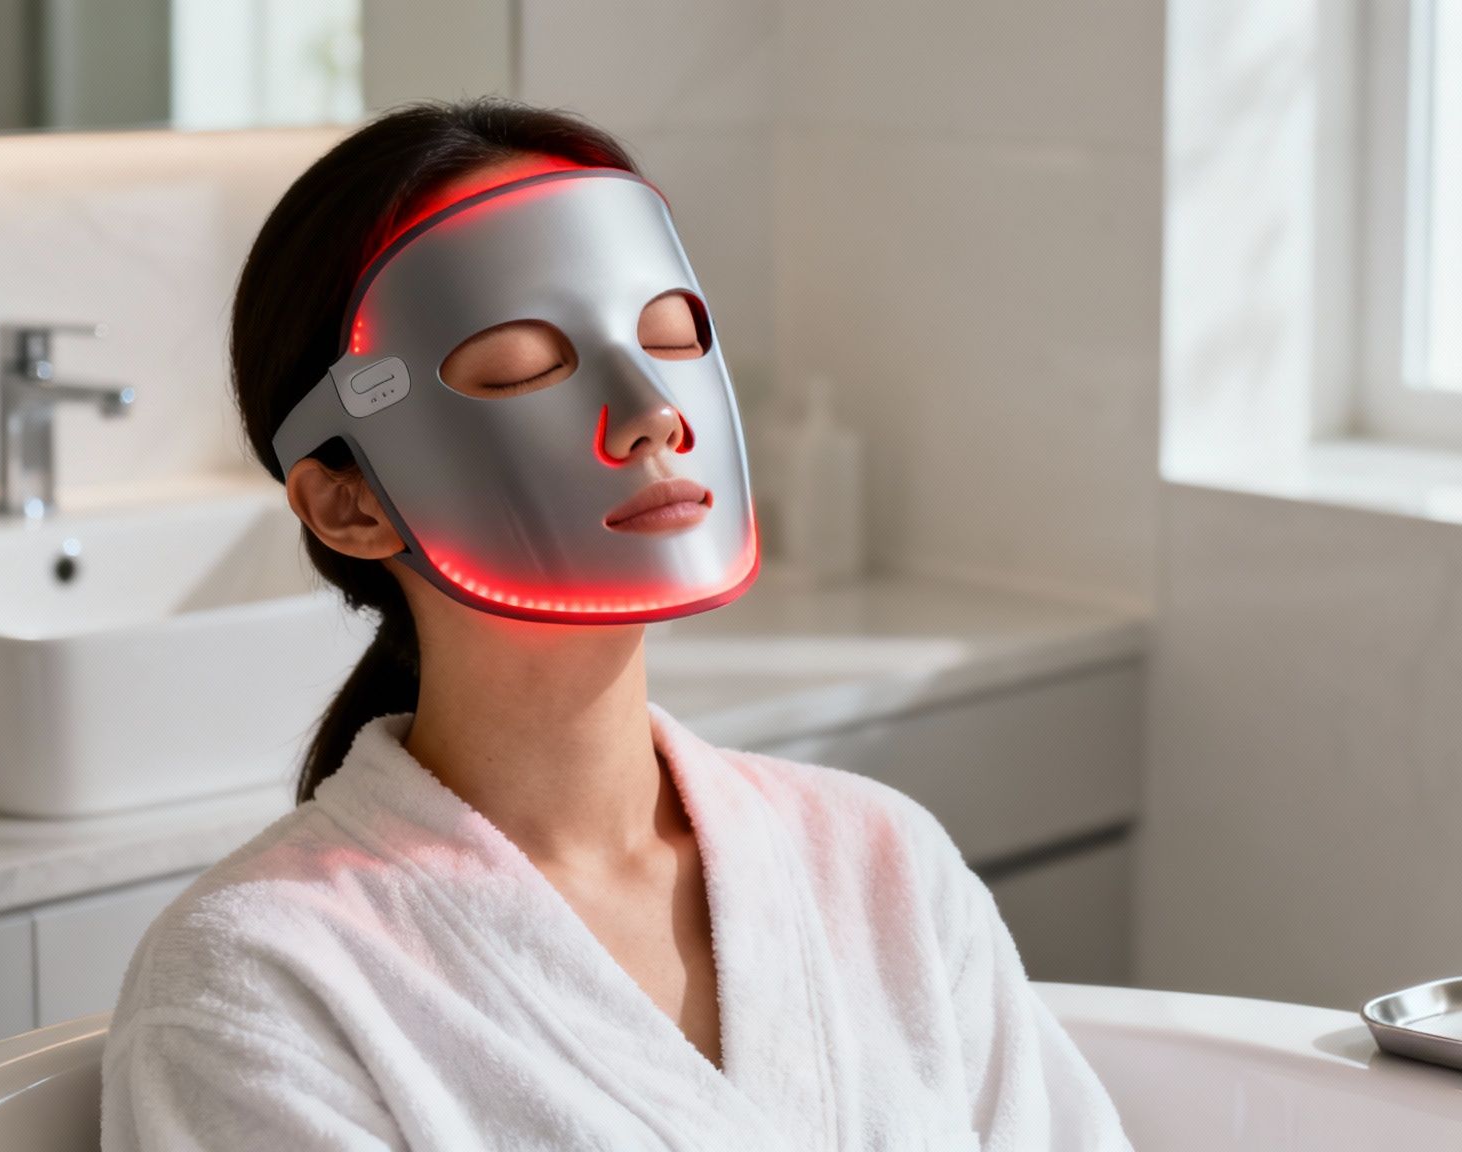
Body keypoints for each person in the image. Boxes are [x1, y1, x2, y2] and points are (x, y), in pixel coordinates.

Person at [98, 96, 1133, 1151]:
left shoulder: (880, 862)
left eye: (672, 337)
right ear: (348, 504)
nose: (651, 410)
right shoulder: (262, 975)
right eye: (522, 368)